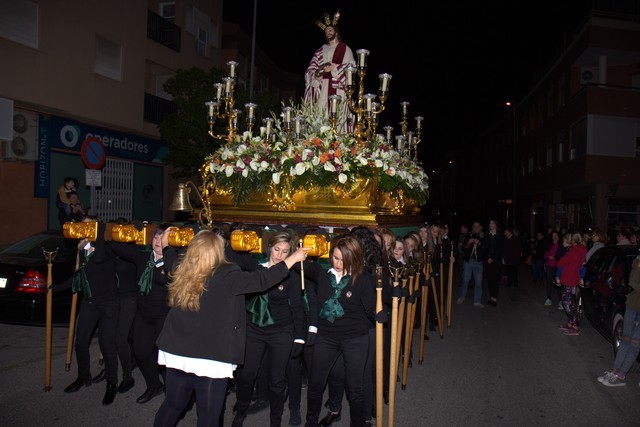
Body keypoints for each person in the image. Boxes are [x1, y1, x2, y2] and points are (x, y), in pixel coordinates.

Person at [153, 229, 309, 427]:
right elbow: (262, 281)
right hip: (210, 355)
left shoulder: (182, 268)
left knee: (173, 405)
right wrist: (293, 258)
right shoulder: (227, 274)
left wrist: (167, 245)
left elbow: (170, 260)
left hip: (177, 350)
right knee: (209, 416)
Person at [231, 232, 305, 427]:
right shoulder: (256, 269)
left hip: (281, 330)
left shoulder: (291, 275)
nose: (280, 255)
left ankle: (275, 420)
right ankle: (241, 409)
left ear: (290, 253)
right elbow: (231, 255)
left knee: (277, 381)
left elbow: (297, 308)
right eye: (276, 249)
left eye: (285, 252)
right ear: (269, 248)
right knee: (246, 375)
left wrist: (300, 338)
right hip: (254, 328)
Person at [304, 235, 376, 427]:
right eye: (335, 257)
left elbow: (371, 309)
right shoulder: (321, 274)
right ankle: (310, 423)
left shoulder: (361, 278)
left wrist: (381, 313)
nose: (338, 263)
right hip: (326, 337)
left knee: (355, 388)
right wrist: (297, 253)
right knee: (316, 384)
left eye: (344, 259)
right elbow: (295, 265)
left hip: (355, 338)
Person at [111, 223, 174, 404]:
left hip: (164, 315)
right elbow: (116, 246)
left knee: (165, 356)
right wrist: (129, 233)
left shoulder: (173, 261)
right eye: (156, 237)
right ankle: (154, 385)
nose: (158, 241)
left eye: (162, 238)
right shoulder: (142, 257)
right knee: (141, 351)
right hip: (143, 313)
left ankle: (172, 391)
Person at [61, 219, 120, 406]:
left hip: (109, 303)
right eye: (83, 226)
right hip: (89, 302)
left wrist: (100, 233)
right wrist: (56, 287)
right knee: (80, 342)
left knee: (107, 345)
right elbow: (79, 275)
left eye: (89, 226)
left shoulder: (108, 246)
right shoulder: (82, 248)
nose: (85, 229)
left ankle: (111, 384)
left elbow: (101, 257)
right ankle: (83, 376)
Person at [304, 10, 355, 124]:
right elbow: (310, 69)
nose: (328, 32)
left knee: (338, 119)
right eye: (326, 31)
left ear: (336, 32)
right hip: (323, 89)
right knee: (322, 118)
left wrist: (334, 68)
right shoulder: (320, 51)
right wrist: (316, 75)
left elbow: (351, 67)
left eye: (330, 30)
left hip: (339, 89)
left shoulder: (345, 49)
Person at [597, 252, 640, 386]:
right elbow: (632, 282)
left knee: (634, 343)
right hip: (633, 305)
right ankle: (615, 371)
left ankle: (621, 376)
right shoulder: (637, 262)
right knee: (625, 339)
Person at [557, 233, 587, 336]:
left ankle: (575, 326)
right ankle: (571, 323)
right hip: (574, 279)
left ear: (572, 241)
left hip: (568, 279)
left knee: (567, 303)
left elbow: (560, 263)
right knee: (571, 301)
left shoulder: (572, 252)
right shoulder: (582, 249)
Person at [457, 221, 486, 307]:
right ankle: (462, 296)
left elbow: (486, 249)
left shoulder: (484, 237)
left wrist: (479, 243)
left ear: (481, 227)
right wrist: (469, 242)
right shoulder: (468, 235)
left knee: (478, 282)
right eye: (474, 226)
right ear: (472, 228)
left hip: (478, 262)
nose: (476, 228)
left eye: (478, 226)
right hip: (468, 262)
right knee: (465, 280)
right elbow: (463, 248)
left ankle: (477, 301)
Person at [484, 220, 503, 307]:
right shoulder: (487, 235)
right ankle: (491, 297)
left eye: (492, 223)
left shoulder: (499, 235)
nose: (490, 225)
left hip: (496, 261)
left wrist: (492, 258)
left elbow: (499, 249)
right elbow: (485, 248)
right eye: (490, 223)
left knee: (495, 280)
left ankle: (494, 298)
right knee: (490, 280)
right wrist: (487, 257)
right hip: (488, 261)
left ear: (496, 225)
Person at [543, 231, 560, 306]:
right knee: (549, 282)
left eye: (556, 235)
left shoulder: (561, 245)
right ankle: (548, 299)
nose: (555, 237)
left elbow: (562, 256)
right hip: (549, 265)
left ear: (558, 237)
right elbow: (545, 254)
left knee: (559, 283)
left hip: (558, 266)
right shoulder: (549, 245)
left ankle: (561, 301)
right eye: (553, 235)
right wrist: (548, 257)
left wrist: (555, 258)